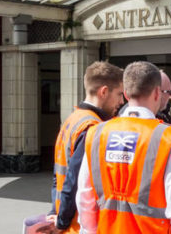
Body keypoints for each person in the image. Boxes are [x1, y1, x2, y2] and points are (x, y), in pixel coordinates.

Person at [76, 61, 171, 233]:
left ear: (125, 94)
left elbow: (85, 198)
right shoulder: (169, 139)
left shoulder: (96, 134)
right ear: (157, 92)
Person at [50, 61, 125, 233]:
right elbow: (74, 180)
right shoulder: (92, 127)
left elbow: (58, 175)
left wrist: (56, 212)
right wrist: (62, 222)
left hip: (67, 218)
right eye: (119, 94)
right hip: (78, 223)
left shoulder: (73, 119)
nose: (121, 101)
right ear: (104, 92)